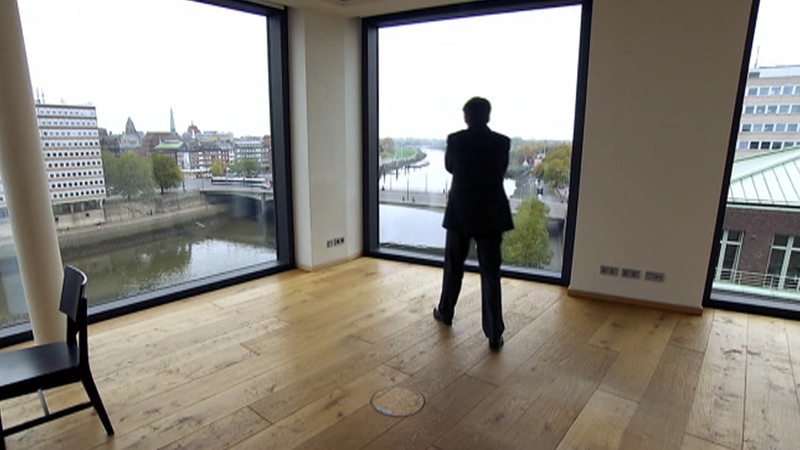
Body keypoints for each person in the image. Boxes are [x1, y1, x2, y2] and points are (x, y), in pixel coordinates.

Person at [433, 97, 514, 351]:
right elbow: (500, 170)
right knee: (491, 273)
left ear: (467, 117)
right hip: (491, 213)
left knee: (453, 266)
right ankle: (494, 333)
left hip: (460, 211)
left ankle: (446, 312)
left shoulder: (455, 140)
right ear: (487, 116)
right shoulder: (502, 143)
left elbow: (449, 167)